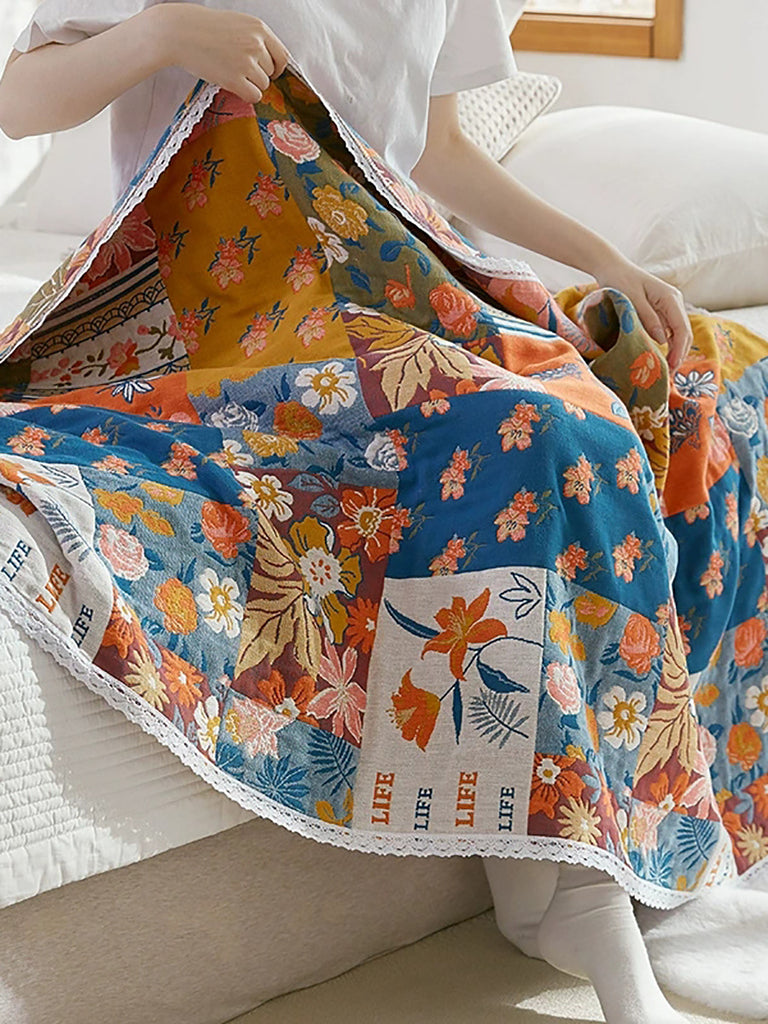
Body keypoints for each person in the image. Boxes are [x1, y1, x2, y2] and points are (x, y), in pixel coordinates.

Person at [0, 4, 757, 1023]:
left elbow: (436, 150)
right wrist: (164, 36)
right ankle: (580, 897)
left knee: (700, 400)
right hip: (225, 326)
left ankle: (599, 877)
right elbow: (20, 100)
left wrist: (606, 261)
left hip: (391, 282)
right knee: (538, 431)